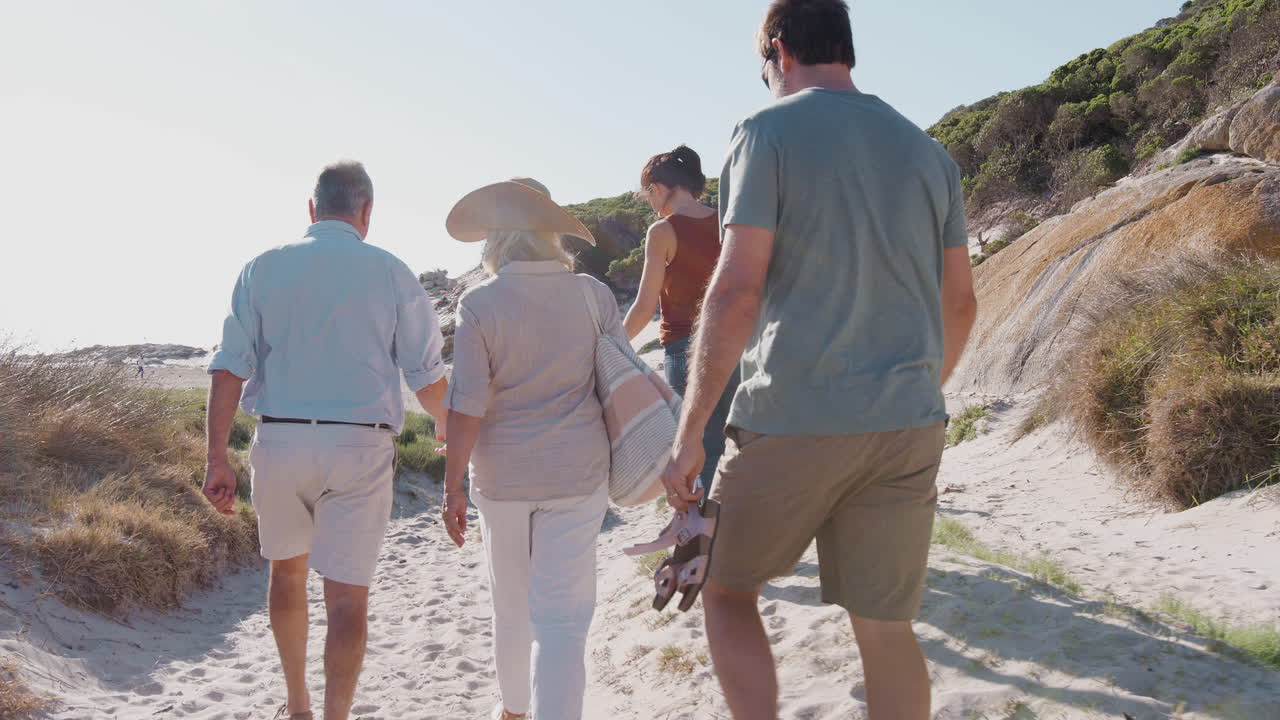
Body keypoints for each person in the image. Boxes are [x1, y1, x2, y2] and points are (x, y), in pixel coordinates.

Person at [659, 2, 979, 719]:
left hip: (794, 414)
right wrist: (919, 391)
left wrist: (689, 435)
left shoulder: (764, 132)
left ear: (778, 50)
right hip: (907, 422)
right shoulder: (931, 154)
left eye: (762, 65)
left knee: (727, 587)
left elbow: (737, 291)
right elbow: (960, 304)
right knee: (885, 625)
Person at [202, 161, 449, 720]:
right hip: (359, 446)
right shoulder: (390, 271)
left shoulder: (261, 268)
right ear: (367, 212)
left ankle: (297, 706)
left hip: (281, 440)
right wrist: (450, 428)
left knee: (285, 573)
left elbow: (228, 369)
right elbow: (426, 373)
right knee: (346, 597)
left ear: (312, 210)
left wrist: (217, 456)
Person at [440, 177, 615, 720]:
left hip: (502, 479)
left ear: (495, 239)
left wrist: (451, 488)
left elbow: (466, 404)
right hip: (578, 475)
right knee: (561, 621)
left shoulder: (480, 303)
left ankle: (515, 711)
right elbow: (619, 382)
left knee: (511, 605)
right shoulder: (593, 294)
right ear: (550, 234)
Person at [622, 145, 738, 493]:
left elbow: (644, 307)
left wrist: (611, 342)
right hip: (740, 347)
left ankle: (698, 538)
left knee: (695, 452)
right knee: (740, 448)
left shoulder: (662, 232)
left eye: (648, 195)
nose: (650, 203)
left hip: (686, 351)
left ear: (658, 188)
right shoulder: (729, 222)